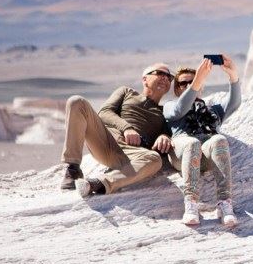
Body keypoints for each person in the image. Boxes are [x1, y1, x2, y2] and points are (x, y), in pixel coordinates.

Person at [59, 63, 174, 197]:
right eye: (160, 73)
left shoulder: (164, 111)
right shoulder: (126, 92)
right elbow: (104, 112)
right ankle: (73, 169)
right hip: (106, 141)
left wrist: (165, 136)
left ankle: (98, 183)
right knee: (76, 101)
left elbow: (170, 132)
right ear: (145, 79)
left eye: (169, 77)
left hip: (130, 154)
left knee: (154, 159)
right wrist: (126, 128)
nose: (165, 78)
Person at [163, 54, 242, 227]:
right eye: (183, 83)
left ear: (202, 86)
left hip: (205, 155)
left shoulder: (211, 110)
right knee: (192, 143)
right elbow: (179, 110)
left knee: (219, 139)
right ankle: (191, 204)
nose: (189, 85)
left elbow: (234, 103)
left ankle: (224, 204)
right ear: (177, 89)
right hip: (182, 153)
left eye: (192, 81)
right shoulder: (170, 105)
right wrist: (197, 80)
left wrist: (233, 75)